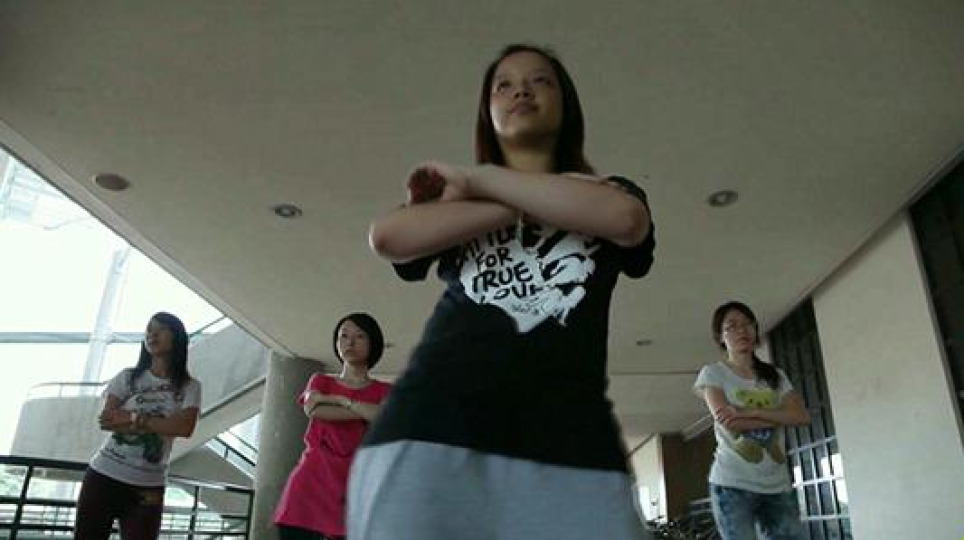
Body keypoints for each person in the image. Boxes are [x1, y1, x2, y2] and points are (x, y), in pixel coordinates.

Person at [349, 44, 656, 540]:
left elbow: (625, 220)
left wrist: (483, 179)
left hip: (571, 442)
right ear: (487, 111)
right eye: (504, 85)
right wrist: (505, 196)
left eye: (540, 80)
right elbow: (387, 237)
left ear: (566, 104)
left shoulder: (609, 190)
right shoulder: (459, 201)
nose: (521, 91)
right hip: (431, 430)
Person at [75, 312, 202, 540]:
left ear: (176, 337)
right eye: (149, 329)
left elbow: (185, 428)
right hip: (103, 475)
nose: (152, 334)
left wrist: (133, 418)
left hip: (148, 485)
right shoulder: (128, 377)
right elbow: (107, 420)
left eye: (160, 329)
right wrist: (162, 424)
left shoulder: (189, 387)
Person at [693, 301, 810, 540]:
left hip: (777, 484)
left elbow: (801, 416)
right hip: (732, 483)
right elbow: (729, 422)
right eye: (732, 326)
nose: (742, 330)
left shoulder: (776, 376)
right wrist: (779, 417)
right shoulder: (713, 373)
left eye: (748, 324)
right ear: (720, 337)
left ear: (756, 329)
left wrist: (750, 412)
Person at [274, 313, 393, 540]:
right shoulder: (320, 380)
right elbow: (314, 410)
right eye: (343, 336)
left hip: (356, 484)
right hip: (311, 481)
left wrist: (341, 400)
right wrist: (365, 411)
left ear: (373, 343)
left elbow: (384, 418)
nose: (350, 342)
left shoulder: (384, 390)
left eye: (359, 336)